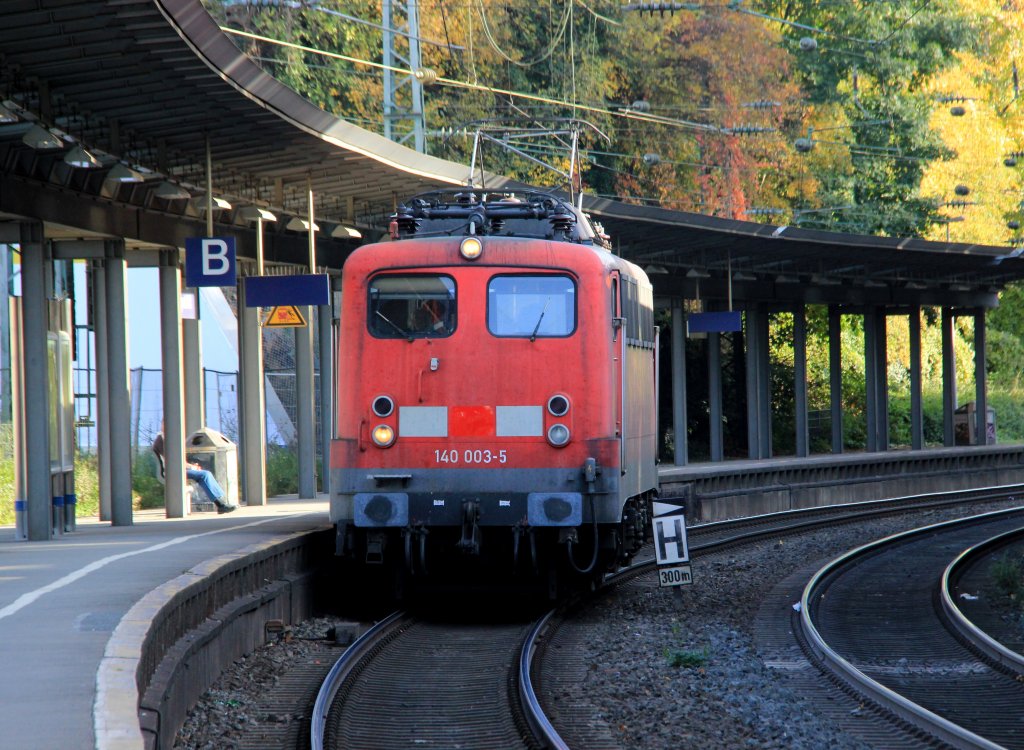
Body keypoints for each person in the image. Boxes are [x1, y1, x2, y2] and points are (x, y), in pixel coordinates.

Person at [152, 429, 236, 514]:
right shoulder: (161, 439)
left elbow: (176, 460)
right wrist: (192, 467)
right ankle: (221, 505)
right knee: (205, 475)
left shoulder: (164, 439)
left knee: (205, 474)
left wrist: (191, 466)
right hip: (173, 472)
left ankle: (221, 503)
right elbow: (173, 461)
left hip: (176, 470)